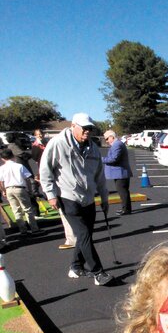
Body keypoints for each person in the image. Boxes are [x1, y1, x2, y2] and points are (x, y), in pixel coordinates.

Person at [39, 112, 113, 285]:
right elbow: (45, 169)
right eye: (84, 128)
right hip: (67, 196)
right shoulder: (57, 143)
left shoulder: (93, 147)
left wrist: (104, 197)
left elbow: (99, 175)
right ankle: (98, 272)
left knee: (84, 235)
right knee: (84, 234)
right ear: (73, 126)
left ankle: (75, 266)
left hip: (88, 198)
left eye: (90, 128)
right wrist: (50, 194)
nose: (87, 131)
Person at [0, 148, 41, 237]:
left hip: (8, 189)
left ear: (2, 159)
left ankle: (23, 230)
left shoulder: (2, 168)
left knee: (16, 210)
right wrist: (30, 190)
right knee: (27, 209)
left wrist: (4, 191)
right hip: (20, 188)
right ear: (13, 156)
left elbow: (1, 182)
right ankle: (34, 229)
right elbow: (28, 178)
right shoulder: (19, 166)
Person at [102, 130, 133, 215]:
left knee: (123, 192)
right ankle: (125, 208)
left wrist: (100, 159)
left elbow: (114, 159)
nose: (107, 141)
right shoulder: (117, 144)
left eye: (107, 139)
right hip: (120, 173)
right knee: (123, 192)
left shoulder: (117, 145)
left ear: (112, 137)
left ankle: (126, 209)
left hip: (121, 173)